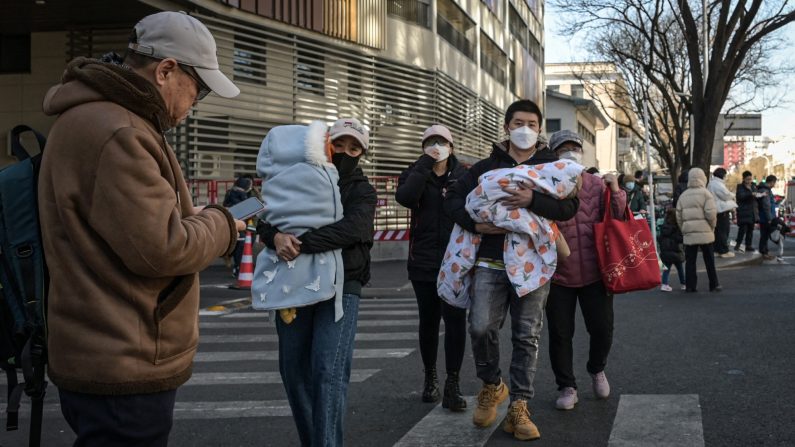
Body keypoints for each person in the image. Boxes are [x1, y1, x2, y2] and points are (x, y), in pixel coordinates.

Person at [38, 11, 243, 446]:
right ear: (167, 70)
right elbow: (163, 247)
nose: (195, 103)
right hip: (122, 354)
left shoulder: (98, 117)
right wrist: (224, 223)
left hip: (99, 347)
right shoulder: (121, 130)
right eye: (199, 88)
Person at [444, 99, 579, 441]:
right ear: (506, 126)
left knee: (526, 335)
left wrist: (532, 201)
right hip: (489, 259)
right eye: (519, 122)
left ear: (539, 129)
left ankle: (519, 405)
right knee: (479, 327)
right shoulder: (485, 166)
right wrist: (477, 227)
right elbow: (453, 200)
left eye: (532, 124)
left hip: (534, 262)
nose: (525, 129)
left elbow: (569, 207)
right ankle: (493, 384)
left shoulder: (551, 166)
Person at [257, 118, 376, 446]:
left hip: (342, 285)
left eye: (354, 148)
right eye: (339, 144)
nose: (345, 153)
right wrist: (276, 236)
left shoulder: (362, 189)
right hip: (294, 284)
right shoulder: (293, 179)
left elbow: (355, 229)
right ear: (324, 144)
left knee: (327, 371)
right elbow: (262, 216)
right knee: (293, 372)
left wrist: (299, 243)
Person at [543, 130, 626, 411]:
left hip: (595, 272)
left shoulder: (596, 183)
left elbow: (617, 218)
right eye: (563, 148)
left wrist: (615, 189)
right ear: (553, 154)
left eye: (574, 147)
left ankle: (596, 367)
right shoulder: (543, 183)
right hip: (557, 274)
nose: (570, 152)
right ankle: (567, 386)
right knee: (560, 333)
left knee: (602, 329)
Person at [395, 125, 468, 411]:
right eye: (431, 142)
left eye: (442, 142)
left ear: (451, 145)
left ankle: (453, 383)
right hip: (423, 261)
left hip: (456, 261)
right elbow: (405, 198)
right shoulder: (415, 172)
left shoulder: (463, 175)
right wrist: (425, 164)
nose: (437, 146)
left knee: (455, 322)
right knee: (428, 321)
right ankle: (430, 377)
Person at [676, 168, 720, 292]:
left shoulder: (683, 195)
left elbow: (679, 216)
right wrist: (712, 227)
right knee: (709, 260)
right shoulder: (706, 194)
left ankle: (690, 286)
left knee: (690, 261)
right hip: (706, 231)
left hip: (689, 232)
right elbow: (711, 214)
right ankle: (714, 284)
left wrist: (684, 229)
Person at [224, 175, 254, 276]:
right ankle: (238, 267)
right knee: (241, 246)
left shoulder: (230, 193)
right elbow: (247, 209)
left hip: (234, 222)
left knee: (237, 245)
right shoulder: (242, 195)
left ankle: (236, 265)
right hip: (242, 224)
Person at [707, 168, 738, 258]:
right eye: (725, 175)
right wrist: (733, 195)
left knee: (717, 232)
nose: (726, 177)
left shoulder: (712, 183)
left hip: (716, 210)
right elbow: (725, 195)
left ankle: (717, 250)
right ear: (722, 175)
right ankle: (723, 251)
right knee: (723, 231)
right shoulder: (717, 184)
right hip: (721, 210)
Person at [658, 209, 686, 292]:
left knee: (666, 269)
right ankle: (683, 284)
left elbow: (660, 238)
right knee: (680, 269)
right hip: (676, 250)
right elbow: (680, 239)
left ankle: (664, 284)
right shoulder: (677, 226)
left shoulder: (664, 226)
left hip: (666, 252)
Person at [734, 171, 758, 253]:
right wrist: (751, 194)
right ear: (743, 179)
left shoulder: (754, 186)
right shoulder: (740, 187)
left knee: (750, 229)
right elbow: (740, 196)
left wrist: (760, 195)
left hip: (752, 212)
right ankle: (738, 244)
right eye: (747, 179)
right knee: (742, 229)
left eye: (750, 179)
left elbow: (756, 196)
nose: (749, 181)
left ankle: (748, 245)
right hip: (743, 211)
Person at [756, 175, 778, 260]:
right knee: (764, 235)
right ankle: (763, 252)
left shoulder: (766, 190)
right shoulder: (765, 190)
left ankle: (765, 251)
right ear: (771, 182)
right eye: (774, 182)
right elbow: (766, 205)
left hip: (766, 217)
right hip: (765, 217)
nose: (774, 184)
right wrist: (769, 218)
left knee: (765, 235)